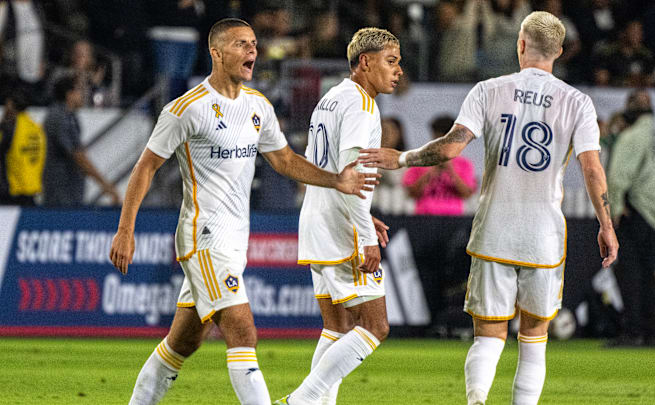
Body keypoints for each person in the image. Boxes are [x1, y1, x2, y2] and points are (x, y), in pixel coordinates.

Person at [108, 18, 378, 405]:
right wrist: (125, 229)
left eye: (253, 44)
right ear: (216, 53)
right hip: (203, 238)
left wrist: (337, 181)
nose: (252, 50)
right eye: (240, 44)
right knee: (242, 330)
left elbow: (285, 160)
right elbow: (146, 166)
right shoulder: (187, 108)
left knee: (183, 341)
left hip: (235, 242)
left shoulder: (258, 107)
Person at [360, 12, 618, 405]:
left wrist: (402, 158)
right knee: (533, 338)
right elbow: (592, 168)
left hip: (495, 227)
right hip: (543, 234)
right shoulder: (577, 102)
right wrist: (606, 225)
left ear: (520, 44)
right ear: (560, 53)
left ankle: (477, 399)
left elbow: (450, 147)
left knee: (489, 334)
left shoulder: (489, 90)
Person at [274, 27, 402, 405]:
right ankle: (299, 400)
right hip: (342, 226)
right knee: (375, 327)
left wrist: (365, 214)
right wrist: (364, 232)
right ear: (365, 61)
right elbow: (351, 170)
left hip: (316, 218)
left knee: (338, 326)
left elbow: (331, 169)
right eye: (391, 62)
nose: (398, 71)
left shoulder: (331, 98)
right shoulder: (362, 105)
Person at [606, 89, 655, 348]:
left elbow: (617, 177)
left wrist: (615, 207)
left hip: (633, 210)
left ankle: (633, 330)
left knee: (629, 273)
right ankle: (651, 330)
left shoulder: (631, 137)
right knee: (647, 273)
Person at [43, 75, 120, 207]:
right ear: (69, 94)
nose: (82, 94)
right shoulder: (58, 117)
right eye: (79, 90)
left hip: (71, 190)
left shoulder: (71, 116)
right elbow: (77, 156)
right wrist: (105, 185)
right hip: (60, 192)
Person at [402, 116, 476, 216]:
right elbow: (411, 193)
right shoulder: (419, 160)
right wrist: (430, 172)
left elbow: (466, 194)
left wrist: (451, 171)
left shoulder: (464, 164)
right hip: (424, 216)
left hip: (453, 218)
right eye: (436, 138)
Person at [0, 87, 45, 205]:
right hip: (32, 190)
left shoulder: (9, 127)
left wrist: (3, 121)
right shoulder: (36, 127)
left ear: (10, 104)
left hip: (12, 192)